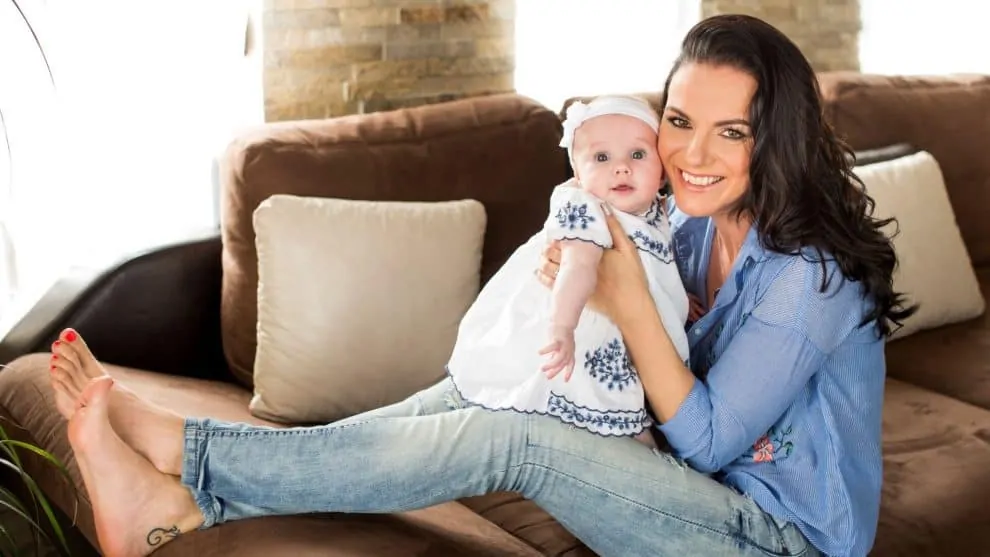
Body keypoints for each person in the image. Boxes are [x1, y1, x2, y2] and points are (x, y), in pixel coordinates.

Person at [47, 13, 914, 557]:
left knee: (515, 439)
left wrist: (621, 301)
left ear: (776, 140)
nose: (691, 153)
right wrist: (575, 286)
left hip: (773, 538)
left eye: (731, 132)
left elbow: (709, 440)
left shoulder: (811, 276)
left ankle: (190, 453)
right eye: (680, 122)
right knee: (482, 390)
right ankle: (189, 500)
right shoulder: (686, 223)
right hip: (692, 490)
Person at [447, 94, 689, 445]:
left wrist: (682, 296)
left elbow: (658, 271)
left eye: (638, 154)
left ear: (662, 170)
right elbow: (578, 267)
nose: (621, 167)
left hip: (631, 328)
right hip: (581, 323)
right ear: (578, 173)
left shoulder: (657, 211)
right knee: (605, 402)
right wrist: (562, 327)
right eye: (602, 157)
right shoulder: (587, 207)